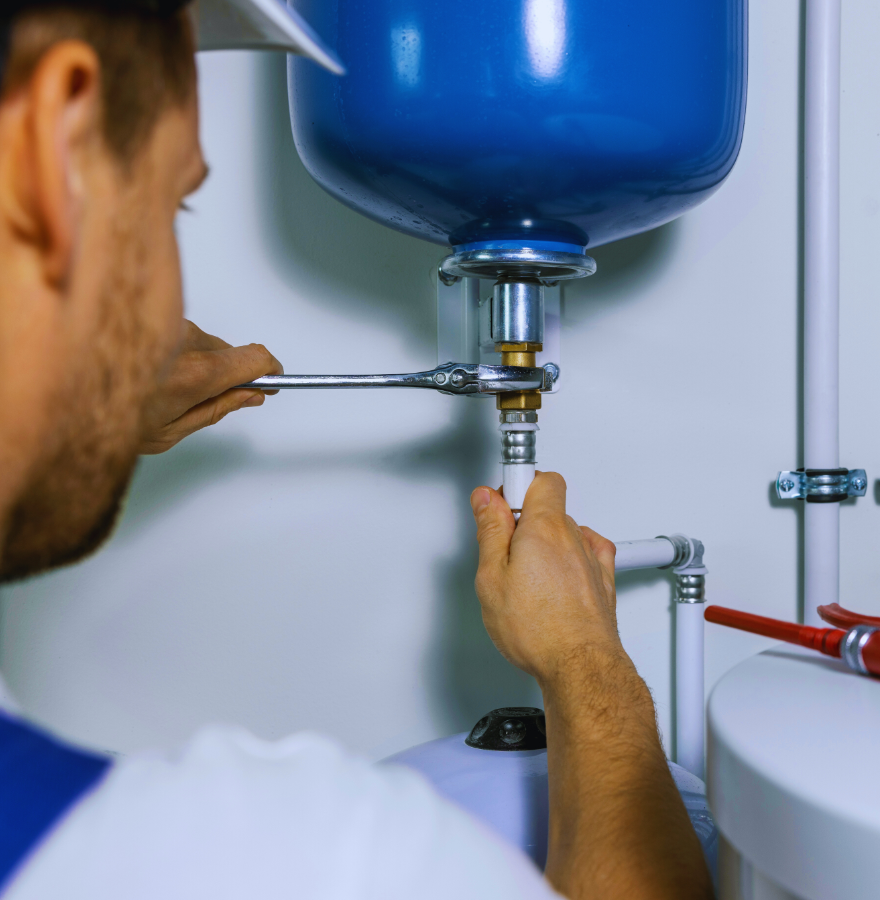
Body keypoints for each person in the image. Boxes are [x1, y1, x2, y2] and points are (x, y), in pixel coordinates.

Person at [0, 1, 713, 898]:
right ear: (45, 145)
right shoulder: (289, 857)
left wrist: (73, 400)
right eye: (171, 202)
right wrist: (586, 661)